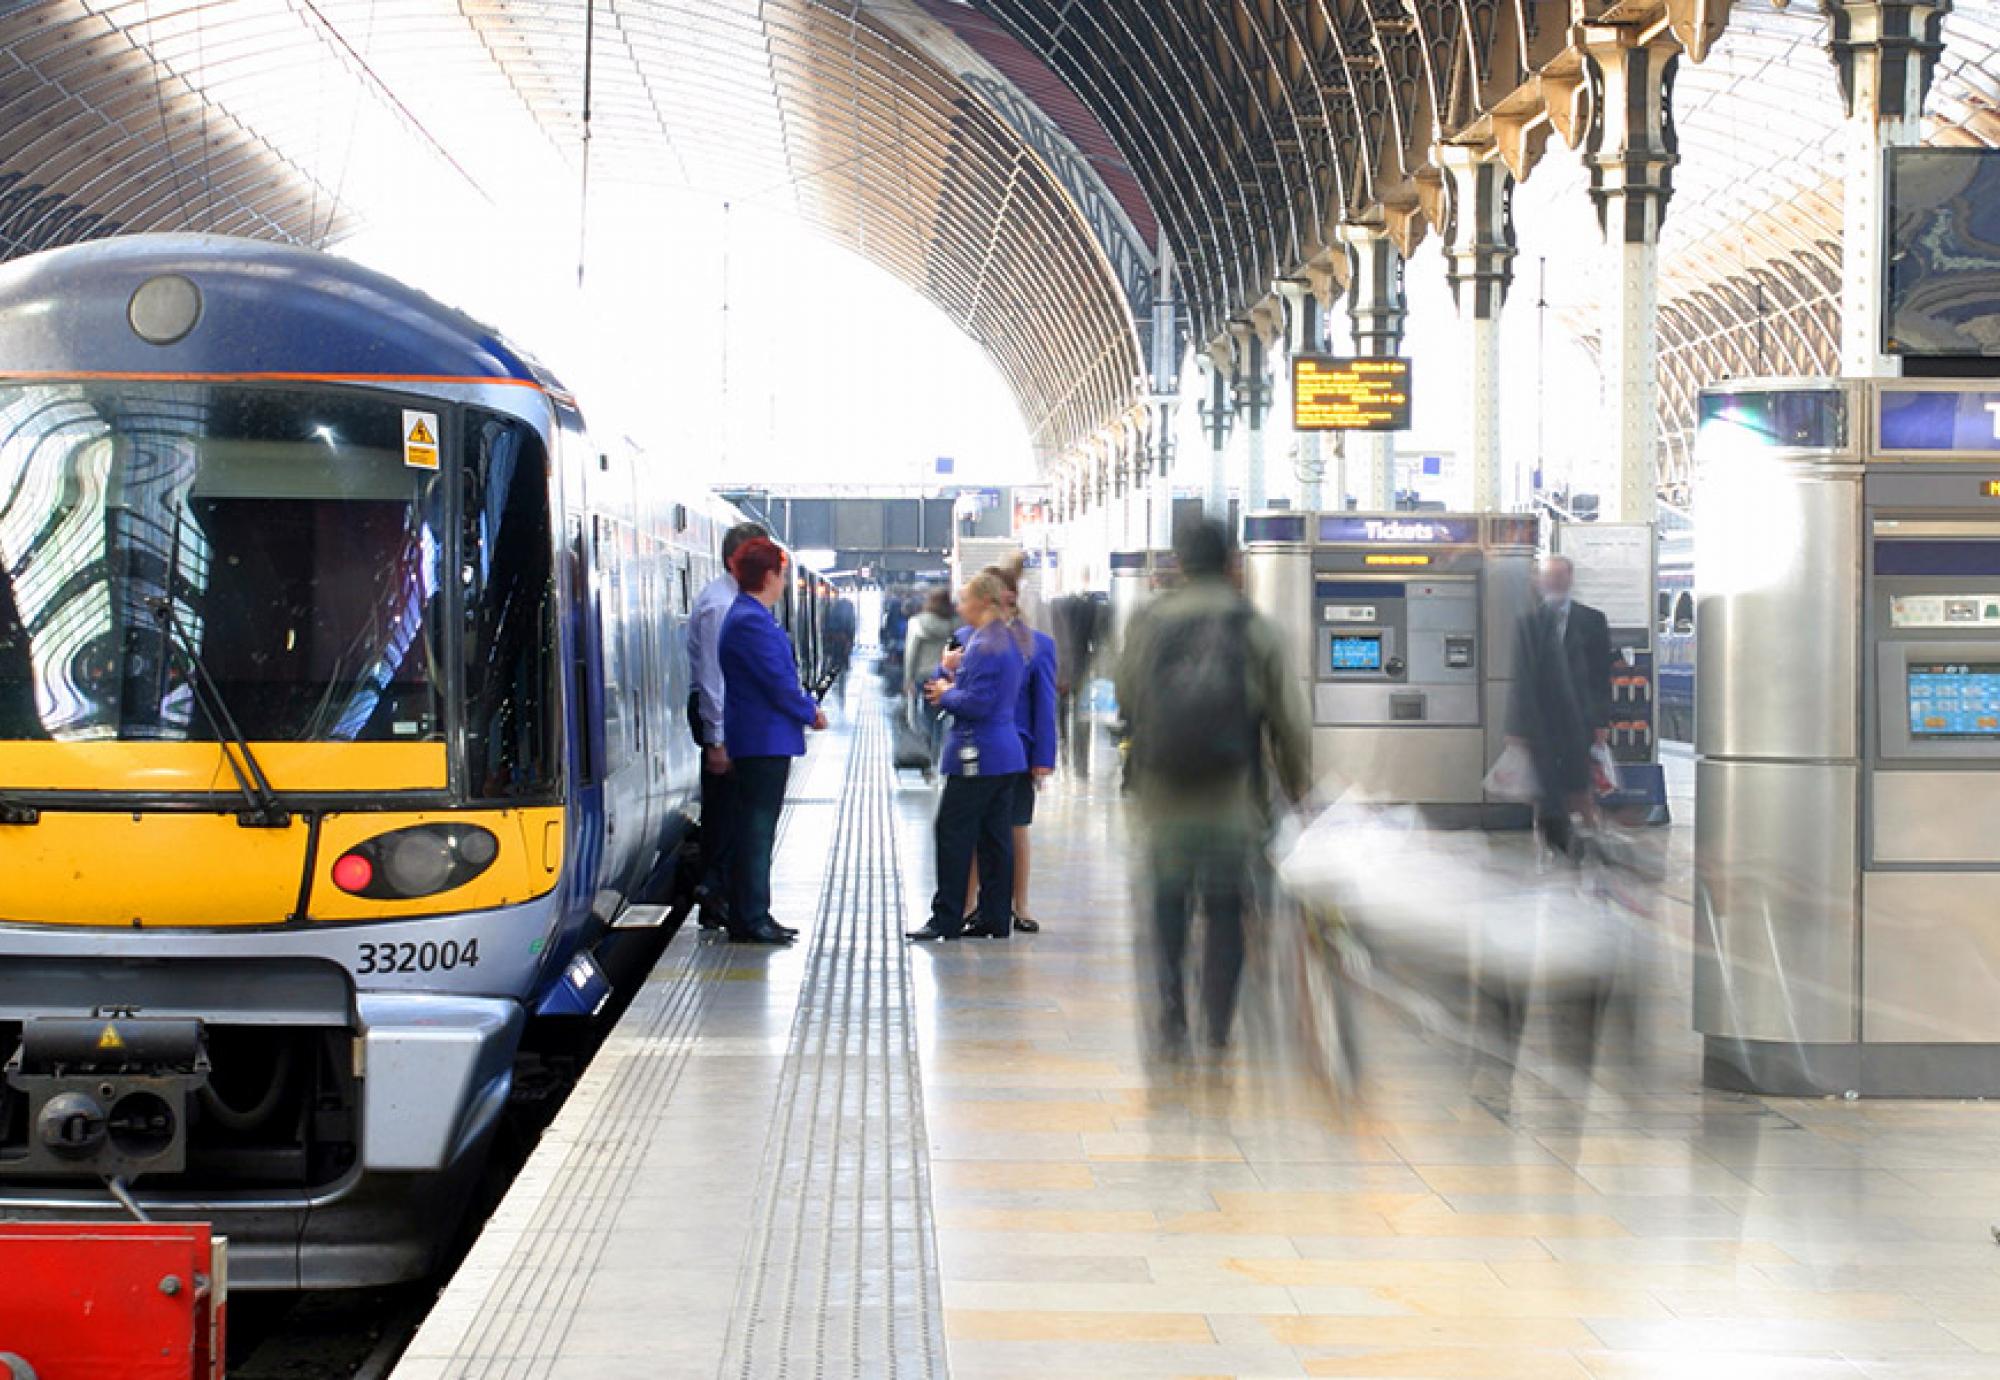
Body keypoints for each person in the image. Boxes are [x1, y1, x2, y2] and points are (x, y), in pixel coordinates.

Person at [1116, 519, 1312, 1055]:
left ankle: (1173, 1012)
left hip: (1163, 798)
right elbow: (1290, 723)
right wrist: (1297, 790)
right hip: (1232, 800)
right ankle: (1219, 1026)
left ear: (1179, 562)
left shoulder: (1148, 622)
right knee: (1227, 910)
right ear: (1232, 563)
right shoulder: (1254, 625)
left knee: (1169, 904)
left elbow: (1128, 696)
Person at [718, 538, 828, 945]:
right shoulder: (750, 620)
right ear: (768, 575)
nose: (783, 583)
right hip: (762, 741)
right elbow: (777, 683)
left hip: (761, 738)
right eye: (781, 575)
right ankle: (751, 917)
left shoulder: (750, 616)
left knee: (756, 827)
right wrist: (810, 712)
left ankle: (753, 913)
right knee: (757, 830)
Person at [907, 572, 1026, 942]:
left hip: (978, 755)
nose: (959, 607)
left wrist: (945, 692)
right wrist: (950, 671)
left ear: (984, 603)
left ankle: (946, 919)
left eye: (965, 600)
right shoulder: (1002, 640)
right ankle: (994, 917)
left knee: (953, 832)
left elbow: (977, 703)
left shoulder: (984, 645)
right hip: (1003, 755)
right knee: (994, 838)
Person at [964, 558, 1058, 933]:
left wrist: (1044, 758)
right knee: (973, 827)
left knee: (1016, 826)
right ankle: (970, 902)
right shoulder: (965, 638)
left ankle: (1020, 904)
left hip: (1018, 749)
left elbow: (1044, 704)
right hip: (976, 748)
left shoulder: (1040, 646)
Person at [687, 521, 770, 931]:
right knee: (725, 814)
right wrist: (717, 739)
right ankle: (715, 892)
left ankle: (723, 895)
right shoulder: (721, 606)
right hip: (723, 718)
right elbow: (713, 677)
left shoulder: (734, 600)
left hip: (732, 716)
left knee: (733, 812)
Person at [1505, 554, 1612, 857]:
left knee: (1579, 787)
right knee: (1546, 790)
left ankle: (1591, 843)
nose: (1554, 582)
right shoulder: (1528, 624)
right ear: (1539, 582)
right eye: (1548, 577)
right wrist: (1516, 728)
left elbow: (1601, 675)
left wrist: (1602, 722)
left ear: (1570, 578)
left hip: (1580, 721)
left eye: (1560, 576)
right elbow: (1521, 677)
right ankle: (1553, 848)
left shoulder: (1592, 621)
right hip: (1541, 724)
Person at [903, 587, 955, 773]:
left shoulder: (917, 623)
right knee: (942, 719)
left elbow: (911, 653)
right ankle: (938, 755)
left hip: (923, 676)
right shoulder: (953, 624)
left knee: (924, 717)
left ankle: (929, 755)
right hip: (946, 676)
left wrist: (908, 679)